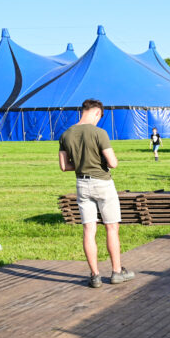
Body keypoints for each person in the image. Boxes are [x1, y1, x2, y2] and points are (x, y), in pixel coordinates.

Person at [58, 99, 136, 288]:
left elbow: (64, 166)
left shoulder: (65, 134)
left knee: (89, 230)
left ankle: (95, 275)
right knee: (111, 227)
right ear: (95, 112)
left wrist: (82, 164)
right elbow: (113, 163)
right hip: (102, 183)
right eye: (99, 116)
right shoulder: (99, 133)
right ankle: (116, 272)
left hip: (81, 184)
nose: (98, 120)